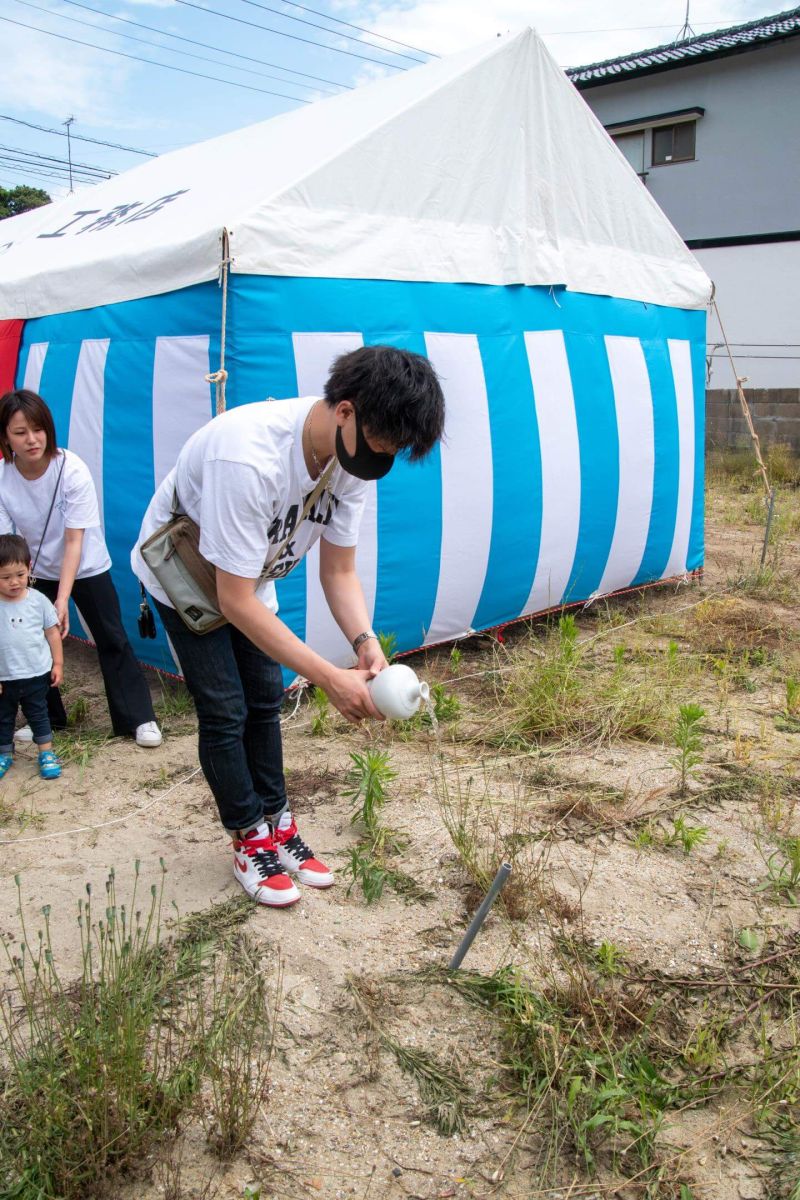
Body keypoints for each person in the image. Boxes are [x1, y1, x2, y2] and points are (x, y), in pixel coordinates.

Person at [132, 345, 445, 908]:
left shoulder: (351, 461)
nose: (382, 458)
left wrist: (365, 645)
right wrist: (329, 677)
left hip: (248, 577)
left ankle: (278, 821)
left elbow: (340, 570)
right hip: (188, 579)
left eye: (394, 451)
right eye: (381, 444)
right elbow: (232, 600)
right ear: (345, 411)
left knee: (265, 698)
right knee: (226, 709)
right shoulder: (248, 457)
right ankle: (248, 836)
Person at [0, 390, 162, 748]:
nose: (32, 439)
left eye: (39, 429)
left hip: (85, 565)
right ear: (5, 437)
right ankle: (50, 720)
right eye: (20, 432)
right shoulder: (3, 478)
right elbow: (7, 542)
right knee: (32, 641)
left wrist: (61, 601)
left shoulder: (70, 468)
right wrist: (22, 585)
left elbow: (75, 541)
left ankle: (138, 718)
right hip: (33, 570)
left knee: (111, 637)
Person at [0, 533, 64, 780]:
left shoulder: (38, 601)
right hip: (5, 677)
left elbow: (53, 634)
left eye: (20, 575)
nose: (14, 582)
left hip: (36, 673)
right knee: (4, 717)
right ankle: (5, 753)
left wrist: (57, 663)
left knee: (39, 714)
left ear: (29, 568)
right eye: (5, 577)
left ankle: (46, 753)